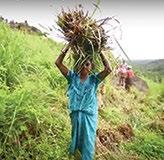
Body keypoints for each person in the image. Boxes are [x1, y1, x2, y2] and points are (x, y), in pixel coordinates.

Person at [55, 43, 112, 160]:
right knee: (77, 138)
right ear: (78, 65)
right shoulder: (72, 77)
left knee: (88, 140)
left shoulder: (94, 80)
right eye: (82, 64)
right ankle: (77, 155)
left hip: (89, 116)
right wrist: (67, 47)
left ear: (91, 67)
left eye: (87, 64)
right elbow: (58, 63)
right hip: (75, 115)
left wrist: (99, 51)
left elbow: (108, 69)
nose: (84, 67)